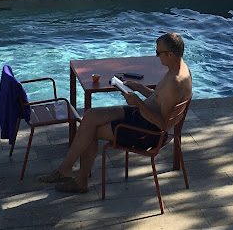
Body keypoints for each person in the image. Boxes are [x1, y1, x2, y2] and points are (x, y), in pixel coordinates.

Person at [37, 32, 192, 193]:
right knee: (90, 115)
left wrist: (138, 102)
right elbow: (160, 99)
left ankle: (80, 181)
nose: (156, 56)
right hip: (141, 116)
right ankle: (65, 169)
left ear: (170, 54)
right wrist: (140, 88)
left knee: (92, 131)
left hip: (148, 132)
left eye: (158, 53)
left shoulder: (175, 82)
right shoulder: (180, 69)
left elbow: (162, 124)